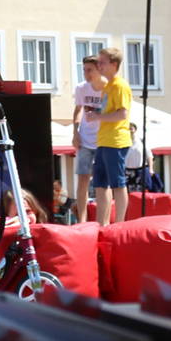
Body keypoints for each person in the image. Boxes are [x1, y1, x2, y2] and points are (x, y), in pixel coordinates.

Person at [86, 48, 132, 226]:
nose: (99, 65)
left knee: (117, 183)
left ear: (114, 65)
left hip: (116, 140)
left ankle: (120, 223)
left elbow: (122, 114)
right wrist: (95, 112)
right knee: (100, 182)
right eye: (98, 62)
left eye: (102, 62)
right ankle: (102, 223)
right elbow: (109, 111)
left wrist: (97, 116)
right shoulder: (108, 86)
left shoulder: (120, 85)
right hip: (104, 139)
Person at [72, 54, 105, 220]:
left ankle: (103, 219)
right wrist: (75, 133)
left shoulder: (108, 87)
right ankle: (82, 219)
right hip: (85, 139)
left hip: (104, 139)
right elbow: (78, 110)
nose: (86, 73)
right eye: (84, 70)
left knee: (102, 181)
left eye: (89, 70)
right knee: (83, 179)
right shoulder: (81, 88)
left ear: (99, 69)